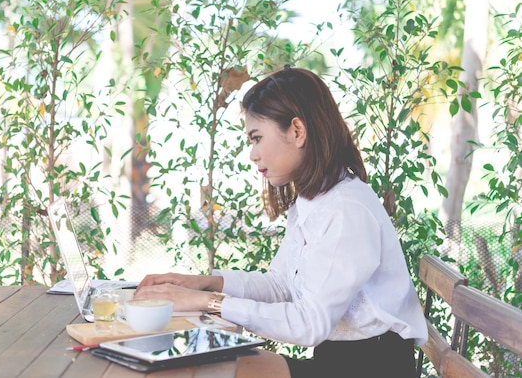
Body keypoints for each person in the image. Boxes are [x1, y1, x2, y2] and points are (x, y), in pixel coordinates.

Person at [134, 66, 428, 377]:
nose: (253, 154)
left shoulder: (347, 209)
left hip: (374, 369)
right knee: (208, 364)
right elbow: (281, 285)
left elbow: (309, 325)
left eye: (257, 138)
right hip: (342, 362)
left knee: (206, 369)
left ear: (297, 131)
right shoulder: (313, 200)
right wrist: (205, 283)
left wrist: (208, 302)